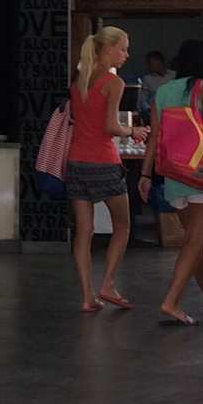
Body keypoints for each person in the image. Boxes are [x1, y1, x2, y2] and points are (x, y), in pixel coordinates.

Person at [139, 38, 203, 326]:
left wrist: (145, 174)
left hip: (174, 174)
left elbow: (154, 136)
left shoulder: (163, 91)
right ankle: (172, 301)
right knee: (195, 241)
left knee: (194, 243)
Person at [65, 26, 146, 314]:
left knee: (83, 231)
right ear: (108, 49)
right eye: (123, 48)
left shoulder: (80, 81)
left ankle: (87, 295)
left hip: (75, 161)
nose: (126, 54)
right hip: (103, 162)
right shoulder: (113, 82)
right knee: (122, 226)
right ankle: (108, 284)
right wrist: (133, 131)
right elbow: (110, 127)